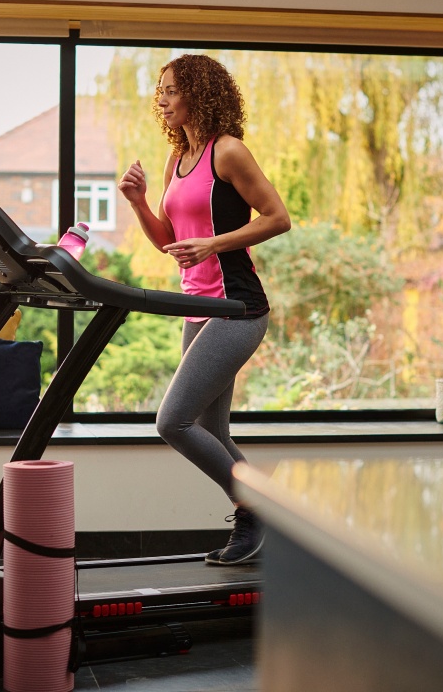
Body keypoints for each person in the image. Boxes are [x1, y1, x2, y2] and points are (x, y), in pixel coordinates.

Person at [118, 54, 291, 565]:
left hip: (237, 308)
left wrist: (214, 244)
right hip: (196, 308)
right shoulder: (175, 160)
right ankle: (264, 516)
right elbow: (170, 242)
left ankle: (258, 510)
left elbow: (278, 218)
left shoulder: (229, 153)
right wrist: (138, 202)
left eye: (171, 90)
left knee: (172, 421)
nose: (162, 99)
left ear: (198, 94)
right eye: (160, 90)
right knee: (212, 431)